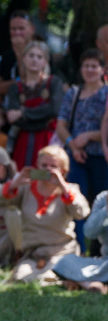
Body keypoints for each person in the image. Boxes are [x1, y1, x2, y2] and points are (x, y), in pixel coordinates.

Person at [0, 145, 88, 284]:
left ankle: (63, 279)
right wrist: (14, 183)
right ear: (37, 166)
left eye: (53, 166)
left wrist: (63, 187)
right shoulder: (25, 188)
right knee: (21, 277)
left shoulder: (70, 190)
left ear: (63, 171)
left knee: (46, 277)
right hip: (33, 254)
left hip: (61, 253)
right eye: (44, 165)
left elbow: (82, 213)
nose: (47, 170)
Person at [55, 49, 108, 236]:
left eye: (94, 66)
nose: (90, 70)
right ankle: (77, 246)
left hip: (102, 157)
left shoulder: (106, 94)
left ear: (102, 69)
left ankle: (98, 250)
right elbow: (61, 125)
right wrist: (73, 145)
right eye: (86, 65)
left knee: (101, 204)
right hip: (76, 157)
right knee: (76, 200)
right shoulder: (73, 93)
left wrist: (89, 136)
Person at [6, 41, 62, 171]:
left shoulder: (53, 82)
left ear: (45, 61)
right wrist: (41, 116)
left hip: (47, 141)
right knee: (22, 179)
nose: (34, 60)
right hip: (22, 142)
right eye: (31, 56)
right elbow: (11, 117)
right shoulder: (16, 87)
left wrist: (23, 113)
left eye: (39, 57)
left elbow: (54, 110)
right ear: (24, 59)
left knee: (45, 179)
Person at [54, 190, 108, 293]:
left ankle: (82, 282)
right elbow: (89, 233)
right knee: (65, 260)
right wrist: (105, 210)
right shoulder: (103, 198)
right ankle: (91, 284)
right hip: (104, 263)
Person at [0, 10, 37, 102]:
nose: (17, 33)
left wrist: (20, 54)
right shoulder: (7, 56)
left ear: (32, 29)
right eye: (13, 29)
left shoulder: (40, 54)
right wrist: (19, 84)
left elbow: (32, 85)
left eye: (21, 29)